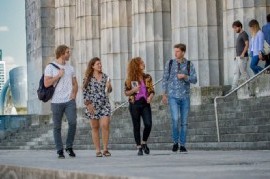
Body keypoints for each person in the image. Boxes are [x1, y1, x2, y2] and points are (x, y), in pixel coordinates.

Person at [44, 45, 78, 159]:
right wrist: (58, 76)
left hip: (69, 101)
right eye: (68, 52)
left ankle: (69, 146)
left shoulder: (70, 68)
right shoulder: (50, 67)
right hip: (56, 101)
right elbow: (46, 83)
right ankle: (60, 150)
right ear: (62, 53)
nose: (70, 54)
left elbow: (75, 83)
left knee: (73, 122)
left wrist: (74, 93)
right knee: (57, 127)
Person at [162, 43, 197, 153]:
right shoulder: (170, 63)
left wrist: (185, 76)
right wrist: (164, 94)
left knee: (184, 122)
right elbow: (164, 78)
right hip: (173, 96)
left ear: (183, 52)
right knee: (175, 119)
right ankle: (175, 142)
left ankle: (182, 145)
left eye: (177, 51)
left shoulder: (189, 64)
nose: (175, 53)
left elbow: (195, 79)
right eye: (175, 51)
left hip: (185, 96)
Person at [124, 57, 155, 156]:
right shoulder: (130, 79)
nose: (143, 64)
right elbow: (126, 92)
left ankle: (144, 142)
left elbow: (151, 90)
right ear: (136, 65)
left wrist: (150, 96)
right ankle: (139, 147)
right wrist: (133, 90)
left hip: (145, 104)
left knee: (148, 124)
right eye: (141, 63)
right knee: (136, 126)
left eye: (143, 62)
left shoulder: (147, 77)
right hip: (134, 104)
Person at [83, 57, 112, 157]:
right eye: (98, 64)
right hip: (93, 106)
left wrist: (109, 87)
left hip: (104, 104)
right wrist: (88, 104)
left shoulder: (105, 77)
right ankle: (97, 150)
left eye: (100, 64)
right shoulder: (88, 78)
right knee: (95, 127)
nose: (100, 65)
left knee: (105, 125)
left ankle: (105, 149)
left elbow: (109, 90)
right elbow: (85, 93)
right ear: (93, 66)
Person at [231, 20, 250, 90]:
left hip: (242, 57)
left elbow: (247, 44)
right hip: (238, 57)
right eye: (234, 28)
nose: (235, 29)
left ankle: (250, 87)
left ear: (240, 26)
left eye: (235, 28)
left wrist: (242, 54)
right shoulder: (240, 35)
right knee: (236, 73)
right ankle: (233, 89)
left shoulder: (244, 34)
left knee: (244, 73)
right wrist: (236, 56)